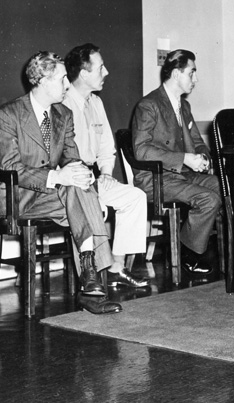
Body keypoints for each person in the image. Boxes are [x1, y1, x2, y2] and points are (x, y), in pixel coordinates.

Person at [0, 50, 122, 314]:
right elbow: (10, 166)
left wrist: (81, 174)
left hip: (56, 197)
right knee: (84, 201)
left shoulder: (63, 114)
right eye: (63, 79)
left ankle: (89, 279)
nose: (67, 85)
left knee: (79, 187)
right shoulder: (7, 115)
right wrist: (57, 177)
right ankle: (93, 281)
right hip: (21, 198)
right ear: (41, 80)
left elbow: (73, 159)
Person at [62, 43, 149, 288]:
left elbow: (106, 148)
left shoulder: (96, 103)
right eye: (100, 67)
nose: (107, 72)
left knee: (135, 197)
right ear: (84, 72)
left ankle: (116, 267)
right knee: (94, 205)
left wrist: (107, 174)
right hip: (71, 182)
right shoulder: (63, 102)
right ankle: (91, 275)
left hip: (94, 176)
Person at [132, 49, 222, 274]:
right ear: (175, 74)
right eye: (192, 73)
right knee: (208, 198)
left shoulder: (185, 107)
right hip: (156, 178)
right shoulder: (149, 105)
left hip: (182, 176)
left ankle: (198, 246)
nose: (196, 79)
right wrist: (184, 158)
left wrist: (203, 157)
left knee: (225, 187)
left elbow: (197, 143)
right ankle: (188, 253)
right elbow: (141, 150)